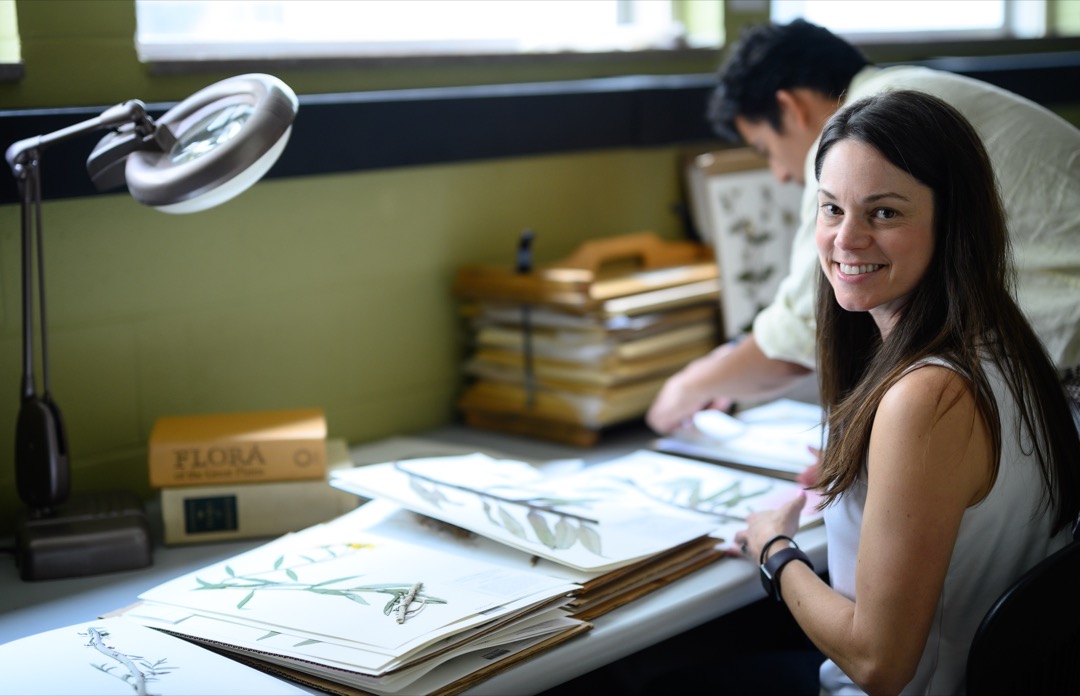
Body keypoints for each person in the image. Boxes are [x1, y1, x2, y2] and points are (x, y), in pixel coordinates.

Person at [731, 89, 1080, 695]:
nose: (846, 239)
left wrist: (774, 549)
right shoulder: (1000, 341)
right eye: (832, 208)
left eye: (885, 213)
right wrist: (872, 472)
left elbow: (879, 664)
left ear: (952, 225)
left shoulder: (927, 397)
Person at [646, 19, 1080, 436]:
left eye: (765, 149)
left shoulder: (862, 135)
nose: (779, 173)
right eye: (831, 211)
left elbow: (799, 336)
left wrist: (687, 387)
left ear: (789, 107)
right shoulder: (915, 88)